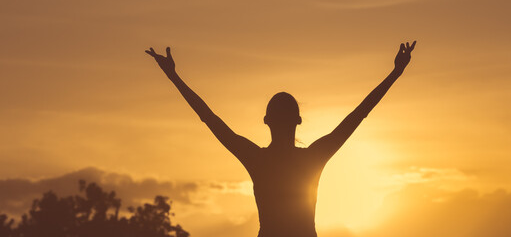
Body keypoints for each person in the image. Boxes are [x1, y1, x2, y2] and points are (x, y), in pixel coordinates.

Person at [146, 41, 416, 237]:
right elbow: (358, 116)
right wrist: (395, 73)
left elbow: (210, 119)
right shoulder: (312, 158)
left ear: (267, 121)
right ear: (297, 121)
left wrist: (174, 77)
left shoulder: (258, 159)